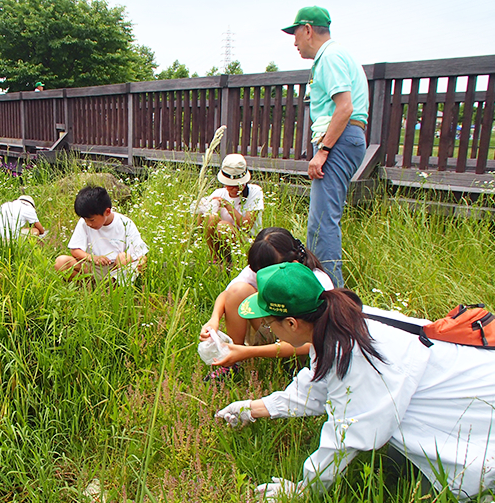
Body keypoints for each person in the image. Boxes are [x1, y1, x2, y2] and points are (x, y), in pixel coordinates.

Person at [215, 262, 495, 501]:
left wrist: (303, 490)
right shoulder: (336, 321)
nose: (268, 329)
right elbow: (315, 388)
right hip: (460, 404)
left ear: (291, 324)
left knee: (435, 487)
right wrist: (251, 408)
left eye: (268, 324)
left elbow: (347, 435)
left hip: (480, 422)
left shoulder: (357, 354)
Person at [282, 6, 368, 288]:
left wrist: (323, 150)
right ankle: (323, 289)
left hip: (339, 141)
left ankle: (332, 298)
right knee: (321, 220)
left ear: (307, 29)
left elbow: (344, 107)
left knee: (321, 224)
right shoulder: (335, 56)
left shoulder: (329, 57)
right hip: (345, 140)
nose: (294, 42)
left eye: (295, 33)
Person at [199, 228, 333, 379]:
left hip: (302, 343)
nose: (262, 278)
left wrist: (248, 353)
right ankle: (232, 361)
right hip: (279, 329)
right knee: (238, 291)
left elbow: (317, 341)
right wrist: (214, 318)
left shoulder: (317, 283)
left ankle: (291, 366)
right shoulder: (266, 267)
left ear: (292, 264)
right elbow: (229, 294)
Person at [54, 185, 148, 283]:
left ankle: (113, 289)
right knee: (61, 262)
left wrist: (141, 262)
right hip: (93, 267)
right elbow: (75, 250)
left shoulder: (125, 223)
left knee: (124, 258)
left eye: (91, 220)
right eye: (85, 219)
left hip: (116, 269)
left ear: (107, 212)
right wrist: (93, 258)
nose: (88, 223)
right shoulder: (84, 223)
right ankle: (89, 286)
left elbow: (140, 253)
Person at [195, 154, 264, 264]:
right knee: (211, 217)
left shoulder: (255, 192)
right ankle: (217, 259)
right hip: (222, 243)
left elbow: (246, 226)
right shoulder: (219, 193)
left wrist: (228, 206)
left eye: (236, 185)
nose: (231, 188)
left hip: (247, 241)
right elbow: (200, 225)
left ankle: (235, 262)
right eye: (229, 184)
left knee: (223, 226)